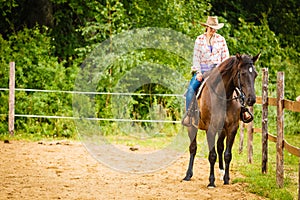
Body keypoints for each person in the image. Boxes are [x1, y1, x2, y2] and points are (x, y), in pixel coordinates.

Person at [182, 16, 229, 126]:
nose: (214, 30)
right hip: (203, 71)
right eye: (212, 27)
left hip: (218, 71)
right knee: (191, 89)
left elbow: (226, 57)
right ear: (207, 27)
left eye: (215, 28)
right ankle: (189, 115)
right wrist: (198, 72)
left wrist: (223, 71)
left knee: (233, 86)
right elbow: (196, 57)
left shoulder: (221, 40)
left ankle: (241, 111)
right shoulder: (199, 40)